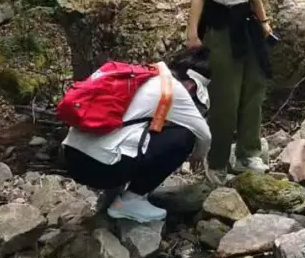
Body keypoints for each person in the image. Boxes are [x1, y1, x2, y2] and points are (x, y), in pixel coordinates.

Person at [187, 0, 275, 180]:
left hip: (247, 26)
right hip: (221, 28)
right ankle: (217, 163)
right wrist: (192, 34)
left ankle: (248, 153)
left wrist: (264, 22)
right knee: (226, 95)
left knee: (254, 88)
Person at [62, 58, 211, 222]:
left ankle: (112, 198)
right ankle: (131, 200)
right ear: (192, 86)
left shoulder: (138, 74)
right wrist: (197, 155)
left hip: (71, 158)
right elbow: (204, 135)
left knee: (127, 135)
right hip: (102, 170)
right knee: (184, 136)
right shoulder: (174, 88)